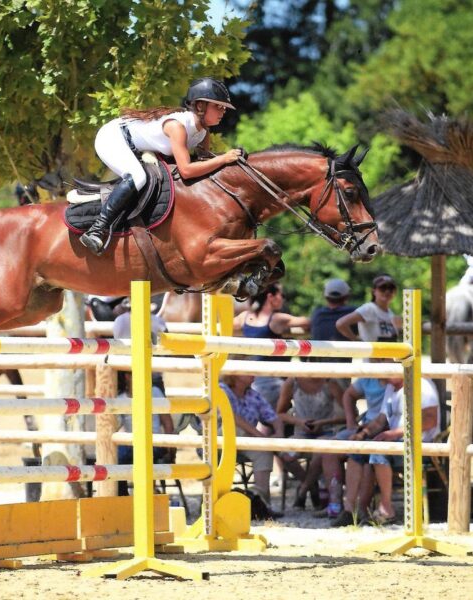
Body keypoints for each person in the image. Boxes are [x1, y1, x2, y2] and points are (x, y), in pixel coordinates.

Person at [80, 77, 242, 255]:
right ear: (200, 106)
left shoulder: (203, 132)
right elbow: (187, 171)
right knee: (138, 176)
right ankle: (96, 229)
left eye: (224, 107)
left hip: (135, 146)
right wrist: (223, 158)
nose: (224, 111)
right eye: (218, 106)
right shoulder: (177, 127)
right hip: (113, 137)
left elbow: (204, 163)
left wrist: (231, 160)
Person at [349, 377, 440, 524]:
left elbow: (430, 420)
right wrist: (363, 434)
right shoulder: (391, 388)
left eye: (385, 363)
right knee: (358, 451)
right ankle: (353, 509)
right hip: (398, 441)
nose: (382, 372)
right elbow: (380, 420)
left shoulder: (423, 385)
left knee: (378, 452)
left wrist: (394, 433)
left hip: (419, 444)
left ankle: (386, 508)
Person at [233, 283, 310, 411]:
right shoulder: (277, 319)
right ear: (270, 297)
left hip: (250, 379)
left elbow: (224, 325)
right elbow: (308, 322)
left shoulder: (244, 317)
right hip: (273, 380)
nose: (283, 299)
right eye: (282, 295)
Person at [322, 374, 387, 524]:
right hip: (369, 427)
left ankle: (358, 509)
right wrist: (353, 424)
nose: (377, 360)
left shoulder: (394, 385)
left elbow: (383, 421)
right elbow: (349, 395)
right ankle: (338, 505)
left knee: (364, 455)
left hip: (382, 431)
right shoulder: (374, 378)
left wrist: (363, 433)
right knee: (331, 449)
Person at [277, 374, 344, 510]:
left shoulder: (330, 382)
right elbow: (280, 413)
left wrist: (324, 422)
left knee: (322, 448)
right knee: (284, 452)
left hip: (326, 432)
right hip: (301, 433)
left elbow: (348, 415)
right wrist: (299, 422)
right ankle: (311, 484)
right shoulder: (292, 382)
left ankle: (302, 490)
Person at [220, 373, 283, 508]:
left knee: (264, 452)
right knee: (238, 432)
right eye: (247, 370)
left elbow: (273, 416)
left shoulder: (253, 394)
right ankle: (218, 504)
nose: (252, 373)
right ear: (234, 374)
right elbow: (232, 417)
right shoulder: (221, 390)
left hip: (247, 439)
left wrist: (279, 433)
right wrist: (260, 437)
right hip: (219, 440)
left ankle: (262, 504)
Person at [335, 274, 401, 343]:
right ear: (374, 291)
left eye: (391, 289)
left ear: (395, 292)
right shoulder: (369, 308)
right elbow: (341, 323)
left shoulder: (391, 313)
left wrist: (399, 329)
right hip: (371, 353)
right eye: (383, 288)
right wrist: (357, 341)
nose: (387, 291)